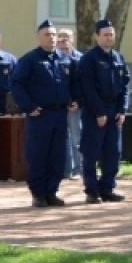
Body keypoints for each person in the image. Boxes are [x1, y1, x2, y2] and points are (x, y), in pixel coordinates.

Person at [9, 20, 77, 208]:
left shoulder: (65, 59)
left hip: (60, 114)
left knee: (57, 155)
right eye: (47, 34)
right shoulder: (30, 60)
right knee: (38, 155)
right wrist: (29, 106)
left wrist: (75, 99)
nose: (52, 38)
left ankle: (51, 192)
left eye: (54, 34)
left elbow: (74, 82)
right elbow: (16, 84)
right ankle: (38, 194)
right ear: (38, 38)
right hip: (40, 115)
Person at [76, 19, 130, 204]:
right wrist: (99, 112)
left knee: (113, 152)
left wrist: (122, 110)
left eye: (111, 34)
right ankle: (92, 191)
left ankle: (107, 188)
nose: (109, 38)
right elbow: (88, 88)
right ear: (97, 36)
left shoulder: (118, 58)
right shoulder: (89, 59)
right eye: (105, 34)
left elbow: (125, 86)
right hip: (95, 111)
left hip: (114, 110)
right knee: (91, 151)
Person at [55, 29, 84, 179]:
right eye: (60, 38)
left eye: (66, 38)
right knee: (62, 138)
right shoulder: (54, 59)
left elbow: (84, 84)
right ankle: (66, 170)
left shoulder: (81, 59)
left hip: (75, 106)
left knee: (76, 138)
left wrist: (78, 101)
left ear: (72, 39)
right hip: (59, 106)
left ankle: (79, 169)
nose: (63, 42)